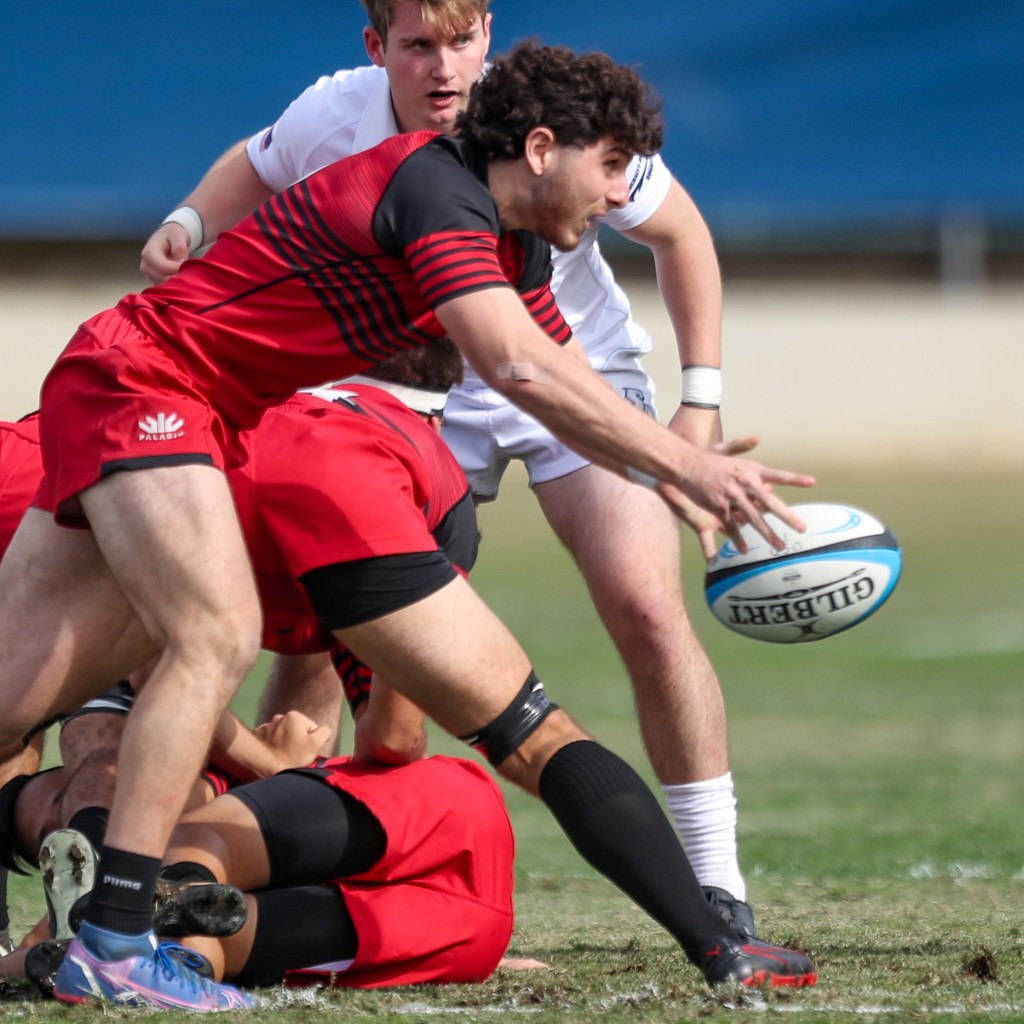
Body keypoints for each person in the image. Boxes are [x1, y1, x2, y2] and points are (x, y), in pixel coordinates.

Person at [0, 41, 815, 1010]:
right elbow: (514, 366)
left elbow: (565, 382)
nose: (616, 193)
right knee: (213, 634)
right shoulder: (434, 189)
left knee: (13, 698)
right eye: (608, 165)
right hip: (147, 381)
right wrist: (686, 462)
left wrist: (669, 472)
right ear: (541, 150)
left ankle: (111, 928)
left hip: (181, 401)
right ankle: (115, 939)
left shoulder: (513, 244)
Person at [141, 0, 766, 934]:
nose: (444, 67)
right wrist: (190, 218)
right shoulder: (343, 117)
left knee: (645, 605)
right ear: (376, 48)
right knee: (329, 632)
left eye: (463, 41)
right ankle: (279, 857)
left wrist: (698, 408)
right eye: (418, 45)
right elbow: (256, 162)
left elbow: (678, 239)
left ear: (490, 36)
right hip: (411, 384)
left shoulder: (555, 116)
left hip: (571, 373)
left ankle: (717, 886)